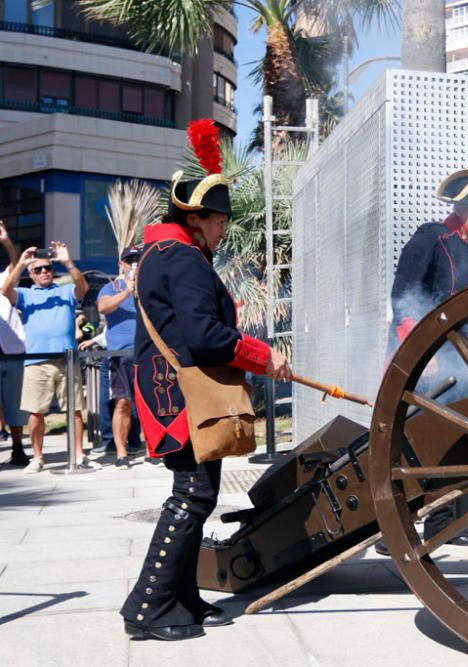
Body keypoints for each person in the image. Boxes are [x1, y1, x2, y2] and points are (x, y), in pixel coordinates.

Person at [120, 119, 290, 642]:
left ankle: (181, 596)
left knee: (198, 492)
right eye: (217, 221)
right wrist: (264, 356)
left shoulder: (166, 254)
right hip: (180, 395)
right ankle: (146, 606)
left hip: (172, 390)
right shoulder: (185, 259)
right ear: (194, 219)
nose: (222, 230)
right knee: (191, 495)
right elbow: (206, 335)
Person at [379, 153, 468, 554]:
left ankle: (441, 523)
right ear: (462, 209)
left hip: (460, 364)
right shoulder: (430, 238)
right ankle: (393, 529)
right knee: (413, 445)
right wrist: (419, 351)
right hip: (423, 360)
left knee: (450, 443)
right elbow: (404, 298)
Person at [1, 240, 89, 473]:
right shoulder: (26, 294)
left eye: (47, 268)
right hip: (36, 360)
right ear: (31, 273)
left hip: (66, 360)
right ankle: (37, 457)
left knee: (75, 409)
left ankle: (79, 455)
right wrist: (20, 263)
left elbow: (83, 288)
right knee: (35, 411)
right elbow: (5, 290)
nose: (44, 272)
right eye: (38, 269)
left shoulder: (64, 290)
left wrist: (67, 262)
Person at [96, 245, 143, 470]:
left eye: (137, 260)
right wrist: (126, 291)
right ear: (121, 264)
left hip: (147, 354)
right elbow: (103, 307)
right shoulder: (111, 287)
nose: (133, 264)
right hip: (121, 354)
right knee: (123, 402)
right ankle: (122, 454)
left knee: (151, 404)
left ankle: (154, 450)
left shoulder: (149, 287)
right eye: (129, 260)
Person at [0, 221, 29, 466]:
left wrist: (5, 240)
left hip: (10, 351)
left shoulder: (3, 280)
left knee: (14, 403)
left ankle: (18, 447)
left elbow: (15, 261)